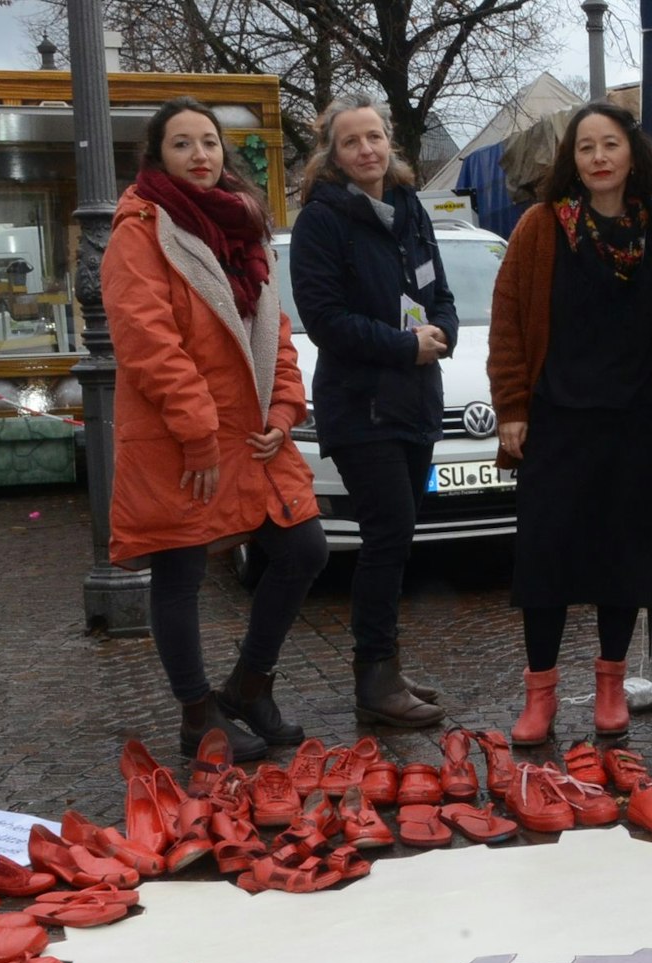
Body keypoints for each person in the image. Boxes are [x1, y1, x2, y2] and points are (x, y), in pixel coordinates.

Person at [102, 96, 328, 761]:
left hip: (252, 433)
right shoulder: (139, 230)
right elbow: (148, 341)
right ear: (157, 155)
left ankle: (249, 683)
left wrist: (286, 410)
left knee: (304, 548)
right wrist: (199, 431)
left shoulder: (244, 228)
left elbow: (274, 332)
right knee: (178, 566)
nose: (200, 154)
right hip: (180, 437)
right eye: (182, 143)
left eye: (209, 141)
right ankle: (198, 711)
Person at [488, 103, 652, 745]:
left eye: (611, 145)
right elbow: (508, 319)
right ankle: (539, 693)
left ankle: (610, 686)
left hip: (631, 421)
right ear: (571, 159)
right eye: (586, 147)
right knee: (546, 562)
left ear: (633, 155)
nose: (599, 157)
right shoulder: (542, 228)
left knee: (622, 559)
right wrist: (512, 406)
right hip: (556, 421)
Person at [289, 94, 457, 728]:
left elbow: (437, 289)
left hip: (415, 401)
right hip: (360, 408)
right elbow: (326, 321)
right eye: (352, 141)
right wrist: (405, 346)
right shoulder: (322, 220)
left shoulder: (410, 207)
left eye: (375, 137)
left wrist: (442, 332)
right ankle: (374, 678)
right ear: (332, 153)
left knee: (398, 537)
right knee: (386, 537)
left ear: (391, 143)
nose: (366, 149)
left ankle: (386, 663)